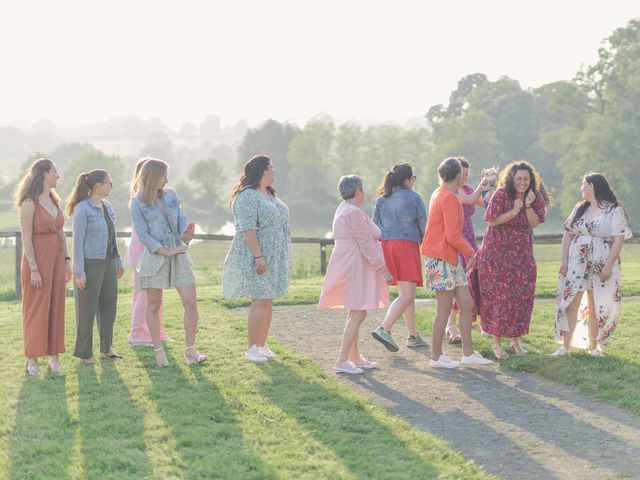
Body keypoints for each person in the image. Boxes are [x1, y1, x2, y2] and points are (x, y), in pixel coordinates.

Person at [469, 160, 550, 360]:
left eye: (526, 178)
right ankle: (496, 343)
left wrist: (528, 205)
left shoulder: (535, 196)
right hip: (497, 254)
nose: (523, 182)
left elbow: (535, 223)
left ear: (532, 180)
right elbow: (491, 221)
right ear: (511, 179)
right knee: (499, 298)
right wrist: (514, 211)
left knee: (521, 296)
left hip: (522, 254)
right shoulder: (501, 194)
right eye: (519, 178)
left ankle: (516, 341)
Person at [130, 158, 206, 367]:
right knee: (154, 304)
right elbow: (143, 235)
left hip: (179, 251)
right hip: (156, 255)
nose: (167, 180)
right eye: (164, 176)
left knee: (190, 302)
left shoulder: (171, 194)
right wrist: (165, 251)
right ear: (153, 176)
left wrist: (187, 234)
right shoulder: (137, 202)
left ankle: (190, 350)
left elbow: (181, 219)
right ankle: (158, 350)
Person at [421, 158, 493, 368]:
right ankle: (436, 357)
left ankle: (468, 354)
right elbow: (452, 235)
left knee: (467, 304)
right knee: (443, 310)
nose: (465, 176)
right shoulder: (448, 198)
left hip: (450, 259)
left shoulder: (441, 193)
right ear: (457, 175)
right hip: (442, 259)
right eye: (462, 173)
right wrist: (471, 253)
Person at [319, 175, 393, 374]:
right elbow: (367, 245)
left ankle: (354, 357)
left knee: (355, 311)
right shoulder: (352, 213)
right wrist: (383, 269)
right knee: (359, 311)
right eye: (363, 189)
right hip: (355, 265)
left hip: (350, 263)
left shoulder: (345, 209)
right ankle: (343, 360)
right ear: (358, 191)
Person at [552, 173, 631, 357]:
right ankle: (565, 346)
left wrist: (608, 266)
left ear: (593, 186)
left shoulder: (614, 210)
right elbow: (568, 234)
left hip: (601, 261)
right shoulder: (580, 208)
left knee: (595, 305)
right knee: (571, 301)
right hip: (577, 262)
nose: (581, 188)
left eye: (584, 184)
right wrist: (564, 260)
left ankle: (594, 347)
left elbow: (618, 240)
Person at [222, 155, 291, 362]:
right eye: (272, 168)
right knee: (260, 299)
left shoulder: (269, 194)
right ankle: (251, 348)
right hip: (259, 253)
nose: (274, 171)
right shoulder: (247, 196)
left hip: (275, 253)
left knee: (268, 299)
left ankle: (262, 344)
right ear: (262, 170)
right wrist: (258, 256)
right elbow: (248, 228)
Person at [15, 158, 72, 375]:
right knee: (36, 308)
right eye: (55, 171)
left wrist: (67, 261)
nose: (58, 175)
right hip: (37, 261)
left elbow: (60, 233)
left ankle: (54, 356)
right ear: (44, 174)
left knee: (56, 306)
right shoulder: (29, 204)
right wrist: (34, 268)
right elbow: (26, 239)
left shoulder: (54, 202)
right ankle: (32, 358)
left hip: (57, 261)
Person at [67, 169, 125, 363]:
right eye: (109, 182)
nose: (111, 186)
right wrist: (79, 272)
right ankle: (84, 353)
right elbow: (77, 243)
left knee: (109, 304)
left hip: (108, 261)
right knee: (87, 309)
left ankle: (106, 348)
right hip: (90, 264)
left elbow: (112, 236)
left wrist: (117, 261)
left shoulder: (107, 205)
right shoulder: (82, 209)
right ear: (98, 185)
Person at [370, 164, 428, 351]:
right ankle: (384, 328)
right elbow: (423, 229)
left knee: (406, 293)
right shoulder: (415, 198)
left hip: (387, 246)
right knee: (407, 294)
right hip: (407, 245)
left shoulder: (382, 199)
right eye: (414, 178)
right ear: (408, 180)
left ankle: (413, 335)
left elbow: (374, 226)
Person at [446, 157, 491, 343]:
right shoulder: (451, 192)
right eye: (461, 174)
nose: (464, 178)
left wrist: (491, 188)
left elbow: (487, 205)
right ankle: (451, 324)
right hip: (456, 238)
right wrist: (483, 183)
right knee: (458, 282)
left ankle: (469, 318)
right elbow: (471, 200)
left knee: (471, 280)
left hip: (470, 236)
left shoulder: (469, 189)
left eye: (467, 174)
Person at [126, 158, 169, 346]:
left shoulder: (156, 197)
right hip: (143, 251)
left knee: (154, 294)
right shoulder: (140, 200)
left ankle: (156, 331)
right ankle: (138, 334)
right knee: (142, 295)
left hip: (153, 251)